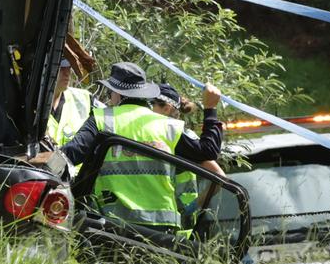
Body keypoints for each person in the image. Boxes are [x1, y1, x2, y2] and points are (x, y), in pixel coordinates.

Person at [57, 62, 223, 231]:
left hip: (110, 225)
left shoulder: (102, 120)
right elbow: (208, 151)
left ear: (117, 94)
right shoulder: (168, 126)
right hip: (161, 231)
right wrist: (210, 109)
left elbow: (70, 155)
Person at [152, 83, 226, 220]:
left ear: (166, 109)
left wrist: (190, 208)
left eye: (151, 104)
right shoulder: (161, 133)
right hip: (162, 220)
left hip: (170, 222)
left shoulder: (176, 136)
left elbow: (219, 177)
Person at [47, 57, 95, 148]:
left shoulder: (85, 98)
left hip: (72, 162)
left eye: (69, 67)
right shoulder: (31, 103)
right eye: (61, 68)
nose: (67, 72)